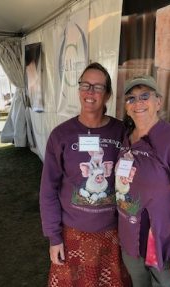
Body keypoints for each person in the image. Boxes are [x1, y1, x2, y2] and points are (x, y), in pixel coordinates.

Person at [40, 62, 131, 287]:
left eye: (98, 87)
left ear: (108, 94)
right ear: (79, 89)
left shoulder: (123, 133)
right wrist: (54, 237)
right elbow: (48, 190)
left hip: (115, 235)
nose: (90, 92)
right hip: (73, 235)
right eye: (85, 85)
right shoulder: (61, 135)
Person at [115, 75, 170, 287]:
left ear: (158, 102)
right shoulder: (126, 138)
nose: (138, 103)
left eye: (145, 96)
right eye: (131, 98)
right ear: (126, 107)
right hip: (132, 243)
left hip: (162, 246)